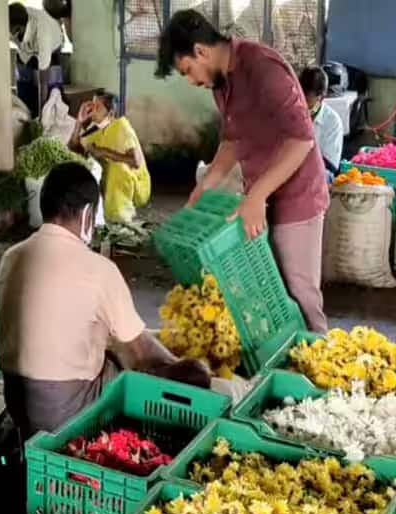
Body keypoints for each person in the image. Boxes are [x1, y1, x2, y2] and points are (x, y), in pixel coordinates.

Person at [0, 162, 211, 438]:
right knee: (128, 364)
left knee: (103, 338)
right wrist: (187, 368)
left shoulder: (11, 256)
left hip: (16, 402)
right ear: (87, 214)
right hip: (63, 414)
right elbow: (142, 355)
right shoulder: (99, 269)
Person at [157, 10, 329, 334]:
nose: (192, 81)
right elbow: (232, 140)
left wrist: (257, 195)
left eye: (188, 71)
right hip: (260, 200)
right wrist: (207, 182)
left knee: (300, 296)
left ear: (201, 51)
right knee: (270, 296)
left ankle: (321, 372)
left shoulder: (263, 68)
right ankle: (278, 372)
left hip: (297, 198)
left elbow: (301, 140)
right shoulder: (221, 84)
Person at [69, 92, 151, 224]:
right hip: (109, 185)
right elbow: (74, 150)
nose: (92, 109)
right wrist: (79, 122)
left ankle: (119, 215)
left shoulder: (121, 126)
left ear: (110, 114)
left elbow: (136, 162)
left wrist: (103, 152)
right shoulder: (94, 129)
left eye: (98, 107)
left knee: (118, 166)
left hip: (137, 187)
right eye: (92, 104)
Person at [9, 2, 64, 117]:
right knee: (24, 84)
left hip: (52, 46)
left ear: (18, 28)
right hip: (27, 49)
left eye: (10, 30)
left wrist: (41, 115)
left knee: (50, 90)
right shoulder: (13, 21)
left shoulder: (43, 34)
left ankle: (44, 116)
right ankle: (28, 116)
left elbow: (43, 81)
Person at [300, 66, 344, 182]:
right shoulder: (291, 113)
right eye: (300, 98)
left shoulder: (332, 122)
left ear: (321, 98)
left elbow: (331, 166)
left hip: (319, 172)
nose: (303, 104)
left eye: (308, 101)